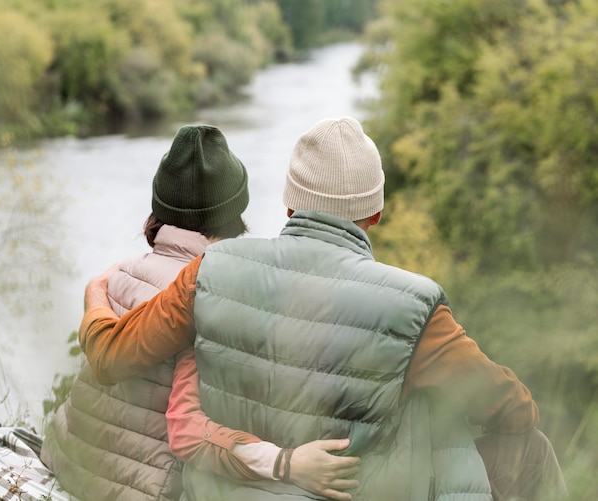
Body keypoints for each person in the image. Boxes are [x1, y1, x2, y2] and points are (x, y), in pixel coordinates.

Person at [78, 117, 568, 500]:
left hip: (224, 490)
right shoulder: (412, 307)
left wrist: (96, 294)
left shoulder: (211, 270)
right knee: (524, 444)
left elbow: (109, 357)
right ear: (375, 211)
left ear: (290, 205)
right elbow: (511, 407)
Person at [41, 124, 360, 501]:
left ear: (159, 207)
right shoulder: (216, 294)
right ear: (234, 213)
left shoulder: (118, 273)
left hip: (67, 459)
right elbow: (191, 429)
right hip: (145, 490)